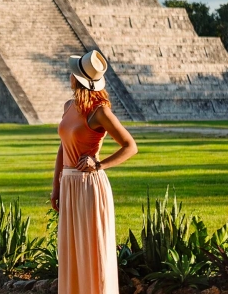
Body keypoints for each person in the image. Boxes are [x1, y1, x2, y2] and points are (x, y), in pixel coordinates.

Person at [50, 50, 138, 294]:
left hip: (89, 186)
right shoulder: (69, 106)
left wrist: (99, 164)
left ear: (78, 79)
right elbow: (62, 147)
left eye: (73, 72)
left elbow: (130, 146)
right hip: (68, 185)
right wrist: (56, 186)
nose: (69, 75)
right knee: (72, 250)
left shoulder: (100, 112)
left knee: (93, 248)